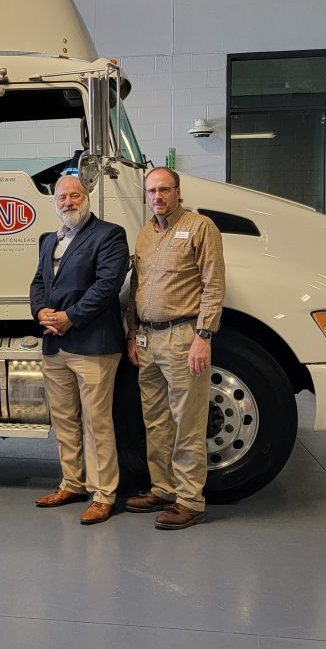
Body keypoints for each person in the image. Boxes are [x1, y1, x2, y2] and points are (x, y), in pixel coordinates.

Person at [126, 167, 225, 530]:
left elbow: (213, 285)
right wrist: (133, 333)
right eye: (152, 191)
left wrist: (204, 336)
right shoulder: (144, 234)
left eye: (164, 189)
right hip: (148, 340)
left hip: (184, 338)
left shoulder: (200, 227)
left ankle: (190, 500)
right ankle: (164, 488)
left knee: (188, 421)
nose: (158, 196)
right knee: (156, 421)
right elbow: (136, 287)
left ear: (178, 191)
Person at [29, 174, 130, 525]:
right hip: (55, 344)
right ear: (54, 202)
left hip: (93, 344)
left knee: (96, 422)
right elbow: (39, 281)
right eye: (61, 197)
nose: (68, 202)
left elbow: (107, 286)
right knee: (64, 421)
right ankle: (72, 483)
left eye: (74, 195)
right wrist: (40, 311)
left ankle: (103, 494)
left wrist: (70, 317)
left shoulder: (109, 235)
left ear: (86, 197)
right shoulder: (49, 240)